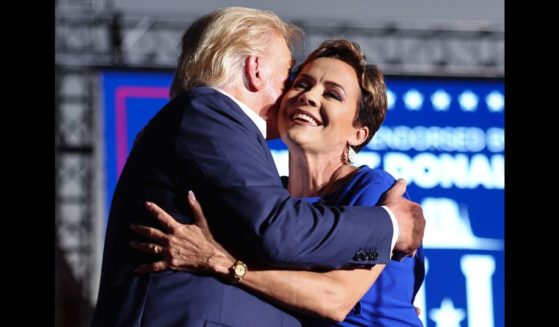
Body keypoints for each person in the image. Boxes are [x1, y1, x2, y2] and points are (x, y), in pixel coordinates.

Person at [92, 6, 425, 327]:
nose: (309, 96)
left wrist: (221, 262)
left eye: (333, 94)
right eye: (300, 82)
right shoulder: (268, 195)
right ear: (255, 69)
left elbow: (334, 301)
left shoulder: (377, 191)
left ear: (358, 132)